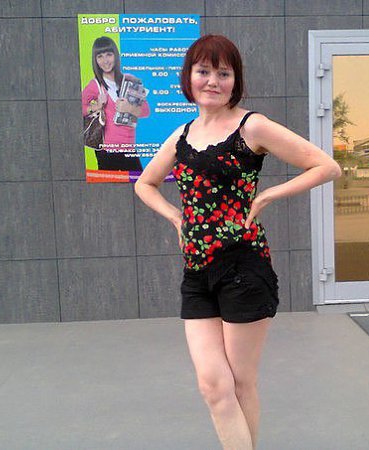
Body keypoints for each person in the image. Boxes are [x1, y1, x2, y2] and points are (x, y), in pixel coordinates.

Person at [134, 34, 341, 449]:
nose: (213, 81)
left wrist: (267, 195)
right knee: (213, 385)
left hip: (243, 269)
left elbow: (326, 166)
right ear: (188, 77)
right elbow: (145, 183)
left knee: (241, 382)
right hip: (197, 272)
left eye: (223, 73)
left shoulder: (252, 126)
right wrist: (175, 216)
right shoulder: (182, 136)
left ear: (235, 80)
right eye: (203, 71)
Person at [82, 36, 151, 171]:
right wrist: (96, 106)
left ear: (115, 55)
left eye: (109, 54)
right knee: (109, 184)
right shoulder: (95, 84)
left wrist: (129, 108)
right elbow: (79, 108)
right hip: (106, 150)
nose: (105, 60)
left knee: (139, 181)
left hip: (128, 147)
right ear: (95, 60)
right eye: (100, 56)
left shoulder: (130, 80)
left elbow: (146, 110)